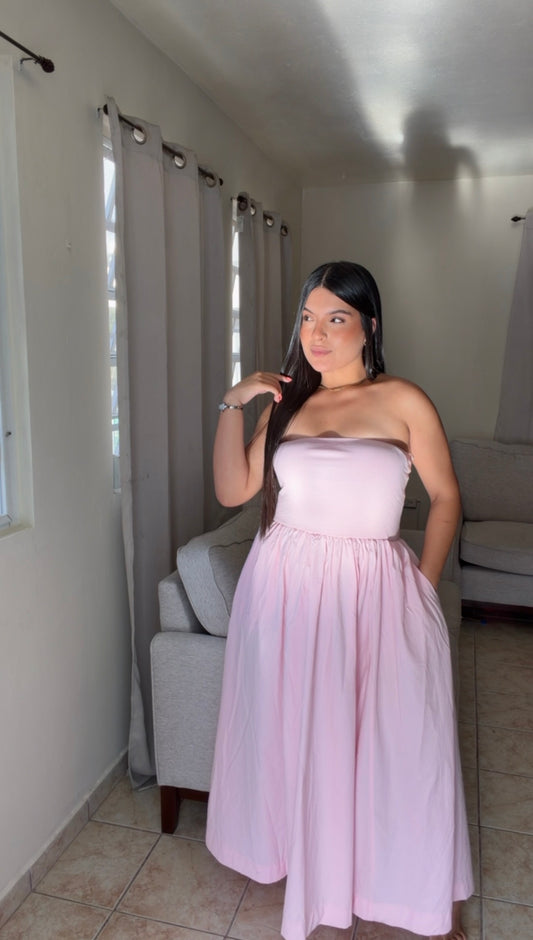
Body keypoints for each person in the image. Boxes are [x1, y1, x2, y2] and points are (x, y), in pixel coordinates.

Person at [206, 261, 473, 940]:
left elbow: (446, 497)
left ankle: (401, 886)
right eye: (307, 319)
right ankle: (306, 865)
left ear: (369, 326)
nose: (317, 335)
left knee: (395, 740)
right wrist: (234, 403)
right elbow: (233, 490)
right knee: (295, 730)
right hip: (284, 589)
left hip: (374, 590)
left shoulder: (403, 399)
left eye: (335, 318)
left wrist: (423, 585)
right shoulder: (288, 403)